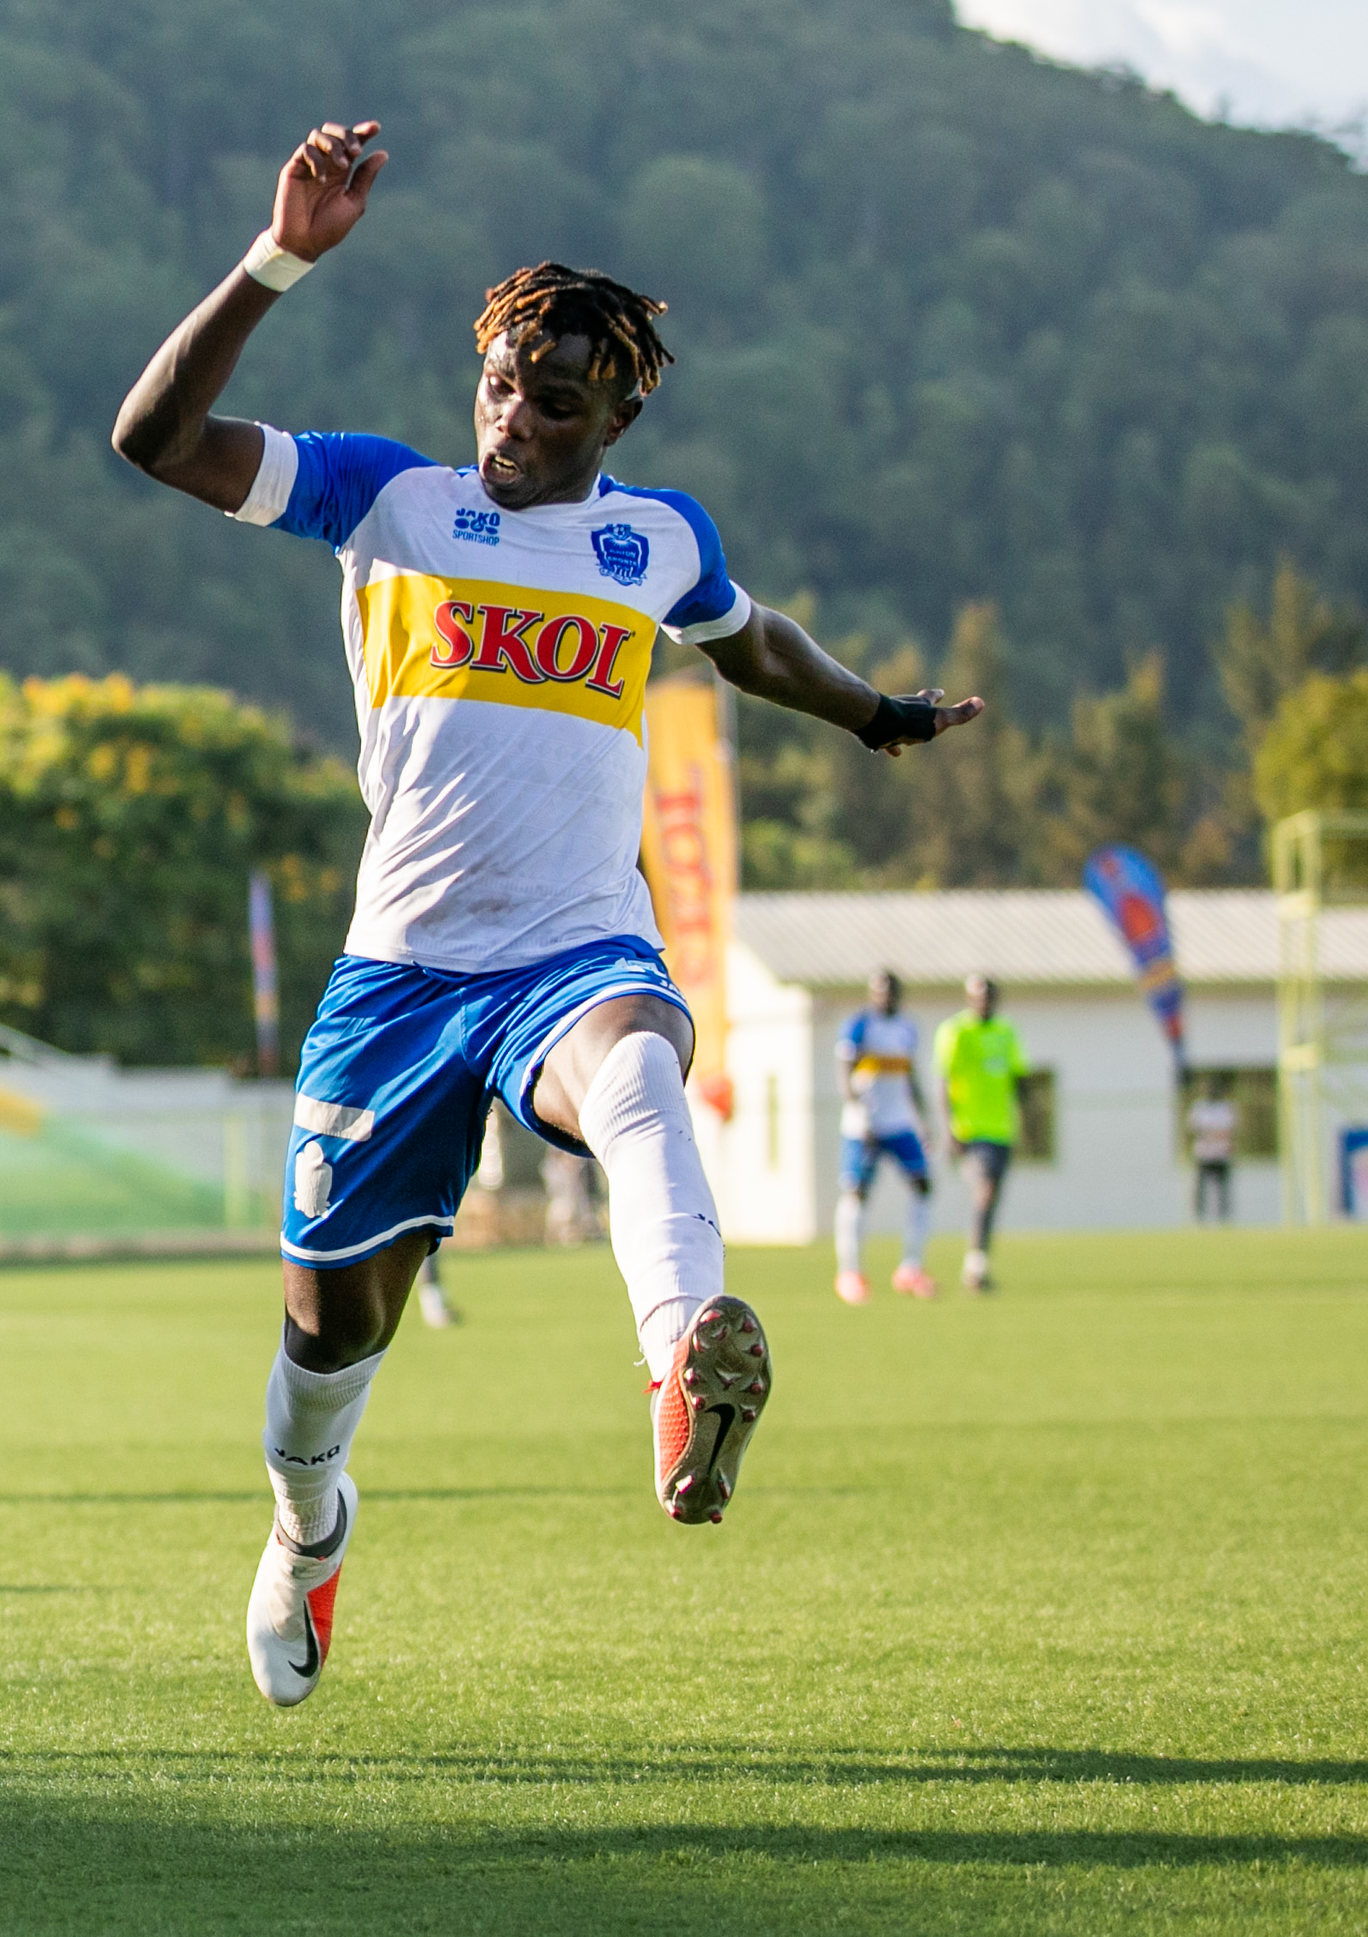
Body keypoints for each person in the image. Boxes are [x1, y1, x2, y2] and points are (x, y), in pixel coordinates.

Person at [109, 116, 981, 1709]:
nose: (514, 417)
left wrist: (874, 716)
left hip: (573, 953)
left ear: (623, 407)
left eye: (556, 397)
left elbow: (753, 638)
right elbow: (154, 439)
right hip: (399, 978)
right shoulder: (388, 500)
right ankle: (309, 1534)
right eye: (502, 383)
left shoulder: (655, 540)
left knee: (644, 1069)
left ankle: (683, 1361)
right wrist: (278, 258)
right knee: (322, 1353)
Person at [837, 969, 935, 1303]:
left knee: (922, 1184)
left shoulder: (906, 1028)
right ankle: (850, 1272)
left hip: (898, 1122)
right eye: (879, 990)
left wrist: (924, 1121)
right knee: (857, 1191)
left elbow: (911, 1077)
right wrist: (857, 1112)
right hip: (864, 1125)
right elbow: (845, 1074)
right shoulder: (860, 1026)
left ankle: (911, 1267)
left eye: (891, 990)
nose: (885, 996)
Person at [932, 974, 1024, 1291]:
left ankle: (977, 1261)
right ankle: (974, 1266)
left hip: (1000, 1128)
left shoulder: (1005, 1031)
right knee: (984, 1190)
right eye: (979, 996)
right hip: (969, 1129)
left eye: (990, 996)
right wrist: (948, 1128)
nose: (984, 1001)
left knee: (993, 1194)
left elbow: (1017, 1078)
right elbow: (944, 1080)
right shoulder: (956, 1031)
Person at [1188, 1076, 1239, 1222]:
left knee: (1222, 1189)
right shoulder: (1199, 1107)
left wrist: (1214, 1135)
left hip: (1222, 1153)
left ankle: (1223, 1218)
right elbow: (1197, 1130)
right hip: (1204, 1154)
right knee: (1201, 1189)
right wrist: (1213, 1134)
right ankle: (1199, 1218)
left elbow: (1229, 1131)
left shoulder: (1226, 1107)